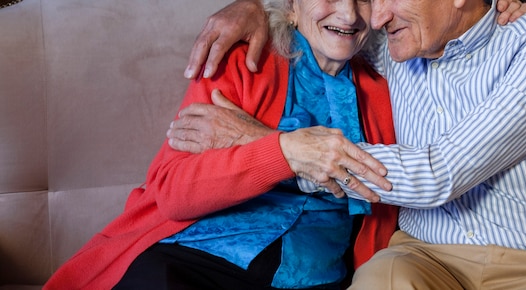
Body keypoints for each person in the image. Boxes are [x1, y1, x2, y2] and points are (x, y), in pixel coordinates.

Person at [170, 0, 526, 289]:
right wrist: (252, 8)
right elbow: (324, 25)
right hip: (422, 255)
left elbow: (438, 175)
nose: (376, 16)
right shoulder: (391, 46)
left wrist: (273, 145)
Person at [44, 0, 397, 289]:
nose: (348, 14)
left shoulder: (384, 92)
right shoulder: (243, 60)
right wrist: (282, 152)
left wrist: (258, 139)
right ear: (292, 5)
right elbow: (173, 192)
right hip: (200, 257)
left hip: (312, 274)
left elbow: (391, 188)